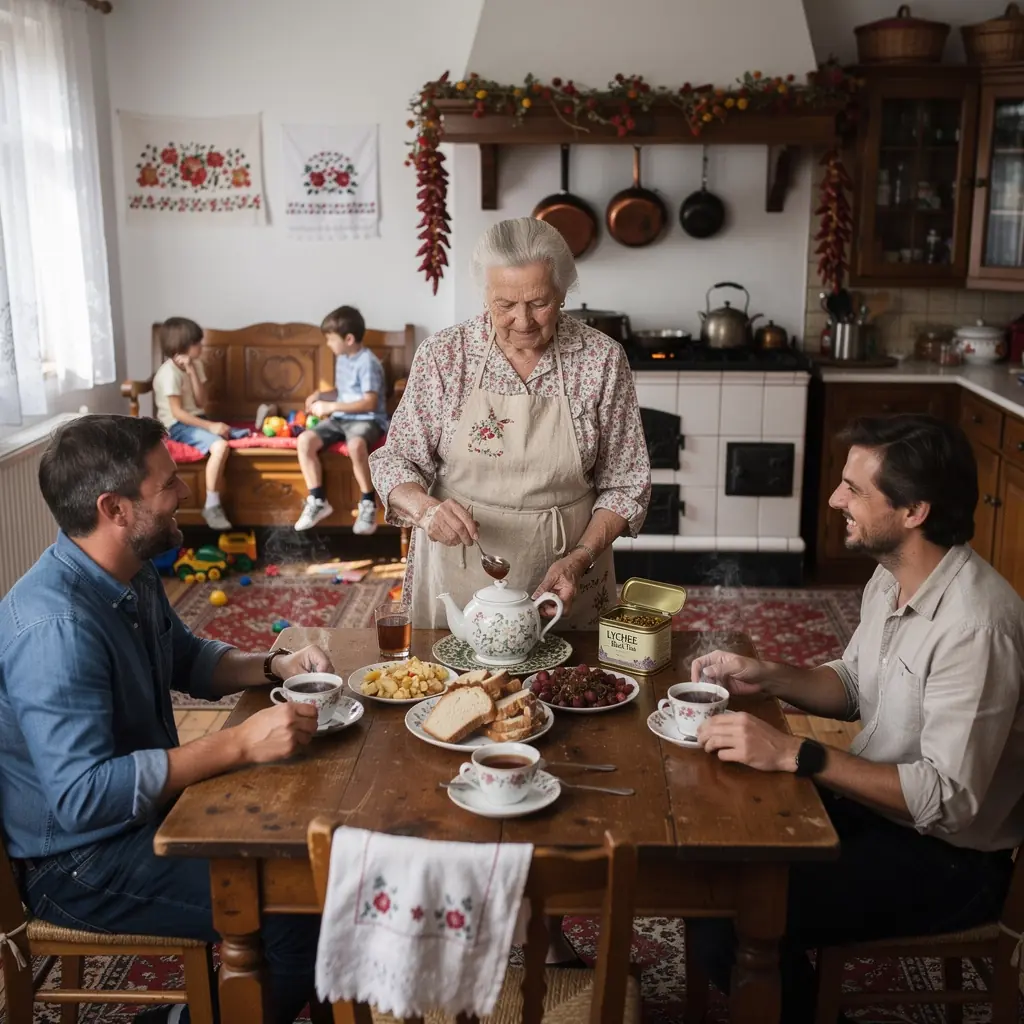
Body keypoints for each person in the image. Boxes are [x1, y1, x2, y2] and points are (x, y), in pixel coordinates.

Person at [687, 414, 1024, 1024]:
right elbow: (853, 684)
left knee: (729, 916)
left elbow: (947, 801)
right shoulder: (891, 577)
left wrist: (796, 753)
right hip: (878, 809)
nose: (835, 500)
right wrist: (768, 676)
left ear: (914, 511)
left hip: (951, 861)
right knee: (716, 841)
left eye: (854, 489)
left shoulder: (976, 628)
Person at [0, 415, 330, 1024]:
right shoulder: (56, 629)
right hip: (76, 863)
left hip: (141, 818)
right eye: (167, 484)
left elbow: (186, 658)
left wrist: (274, 665)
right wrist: (238, 744)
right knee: (295, 912)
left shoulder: (127, 569)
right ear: (114, 508)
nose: (184, 492)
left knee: (304, 837)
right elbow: (81, 798)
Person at [370, 217, 651, 629]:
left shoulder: (601, 359)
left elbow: (626, 483)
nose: (523, 320)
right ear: (485, 295)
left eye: (539, 302)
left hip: (565, 578)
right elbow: (395, 460)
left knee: (572, 672)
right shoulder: (445, 355)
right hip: (459, 573)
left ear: (563, 293)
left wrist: (580, 558)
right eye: (505, 305)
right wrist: (426, 510)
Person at [295, 305, 389, 535]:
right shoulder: (343, 358)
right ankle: (317, 500)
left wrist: (330, 406)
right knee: (305, 440)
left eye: (330, 339)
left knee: (355, 445)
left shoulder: (367, 362)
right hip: (341, 418)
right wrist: (320, 396)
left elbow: (370, 402)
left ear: (348, 339)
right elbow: (343, 392)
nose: (328, 344)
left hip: (367, 419)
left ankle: (368, 502)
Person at [152, 316, 234, 532]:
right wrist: (211, 427)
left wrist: (192, 372)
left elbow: (201, 402)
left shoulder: (195, 365)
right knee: (220, 445)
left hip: (197, 418)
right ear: (182, 345)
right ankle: (212, 505)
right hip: (176, 425)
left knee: (233, 433)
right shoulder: (168, 373)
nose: (201, 346)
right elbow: (178, 413)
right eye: (197, 343)